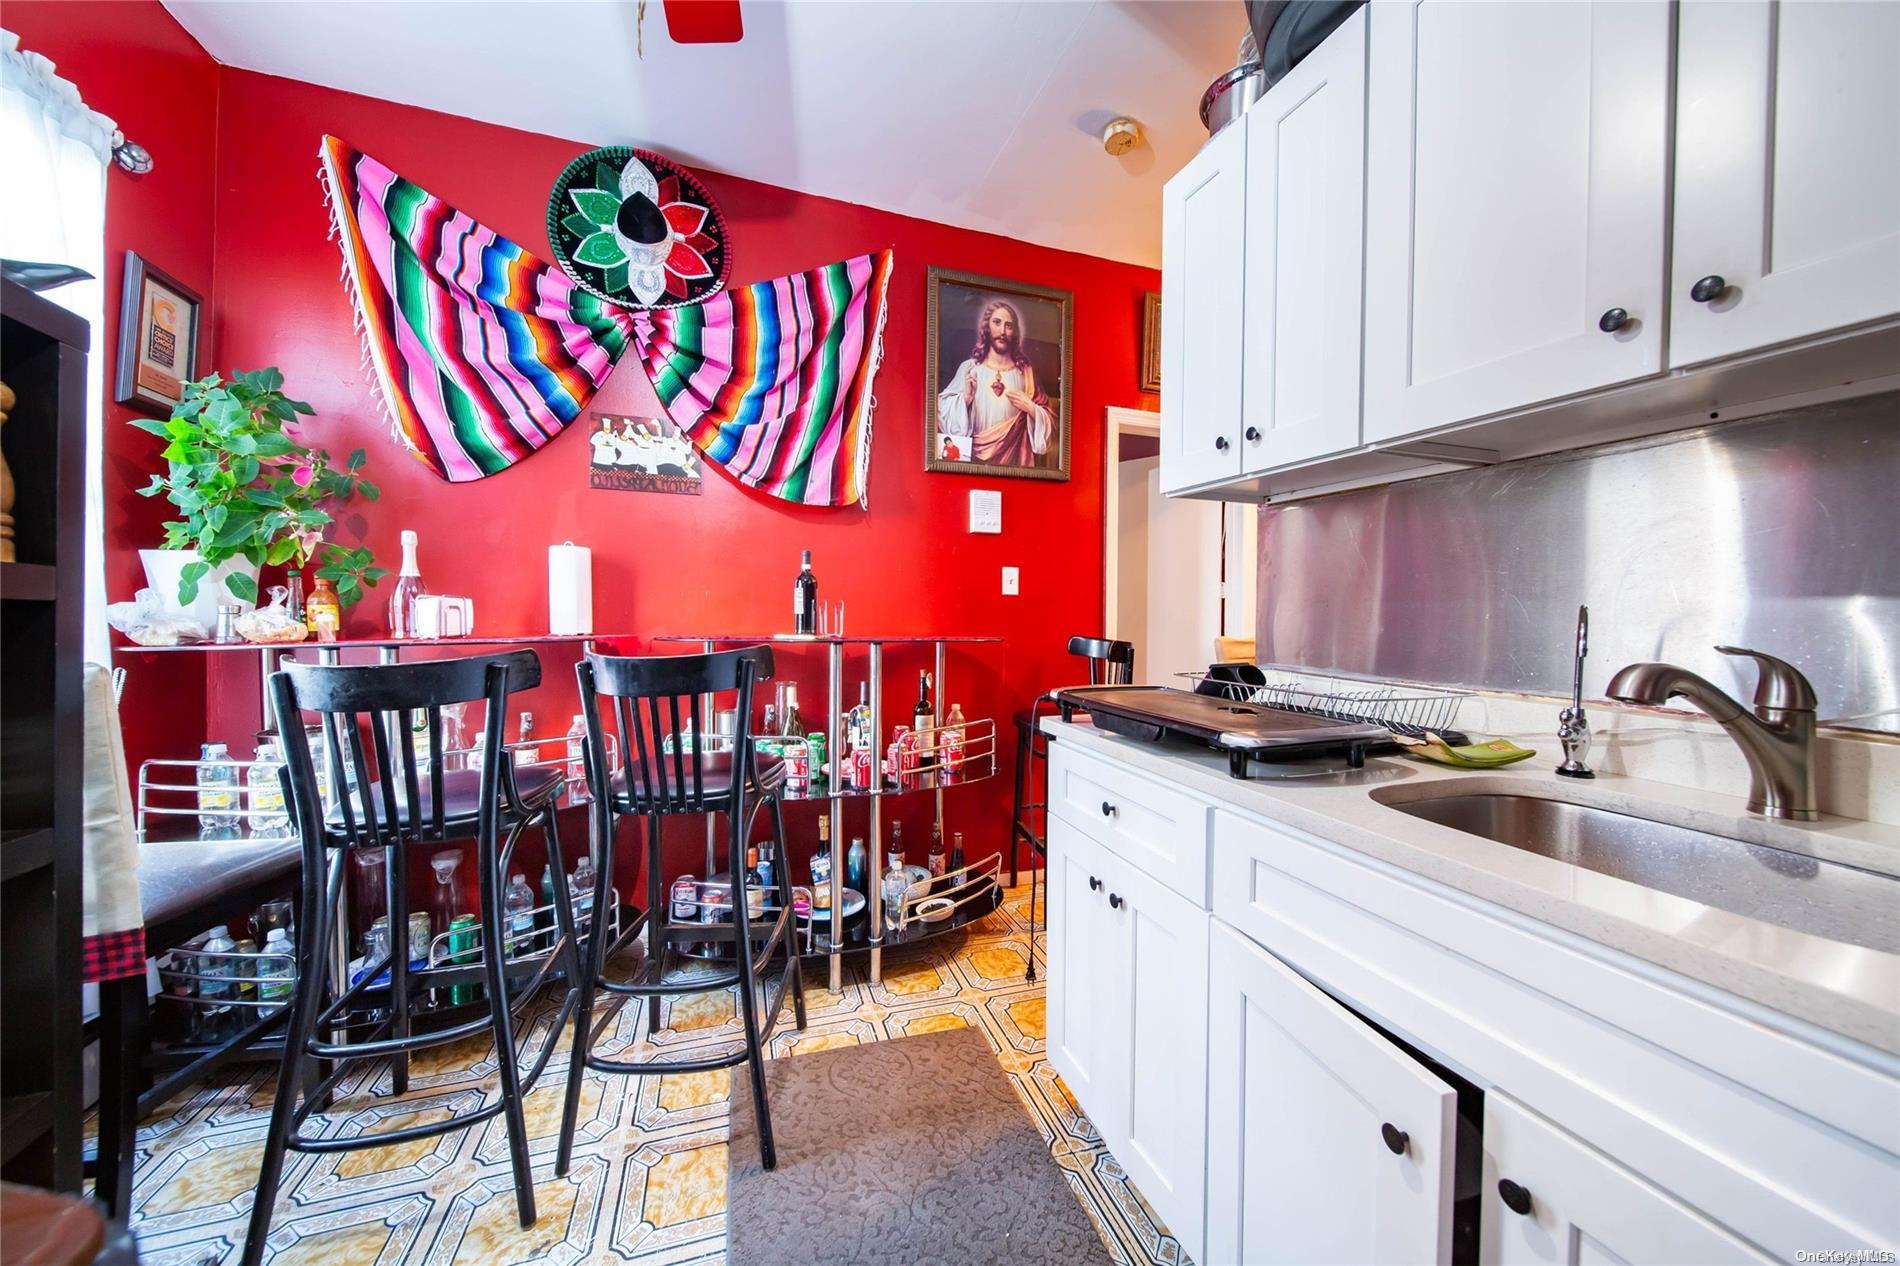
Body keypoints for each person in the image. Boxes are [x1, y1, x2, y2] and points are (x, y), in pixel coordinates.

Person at [936, 298, 1054, 466]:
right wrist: (966, 399)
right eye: (997, 323)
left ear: (1015, 332)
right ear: (987, 327)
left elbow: (1050, 425)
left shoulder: (1026, 373)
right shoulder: (969, 369)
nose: (1002, 331)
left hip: (1016, 462)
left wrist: (1032, 409)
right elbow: (941, 413)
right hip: (974, 464)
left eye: (1009, 325)